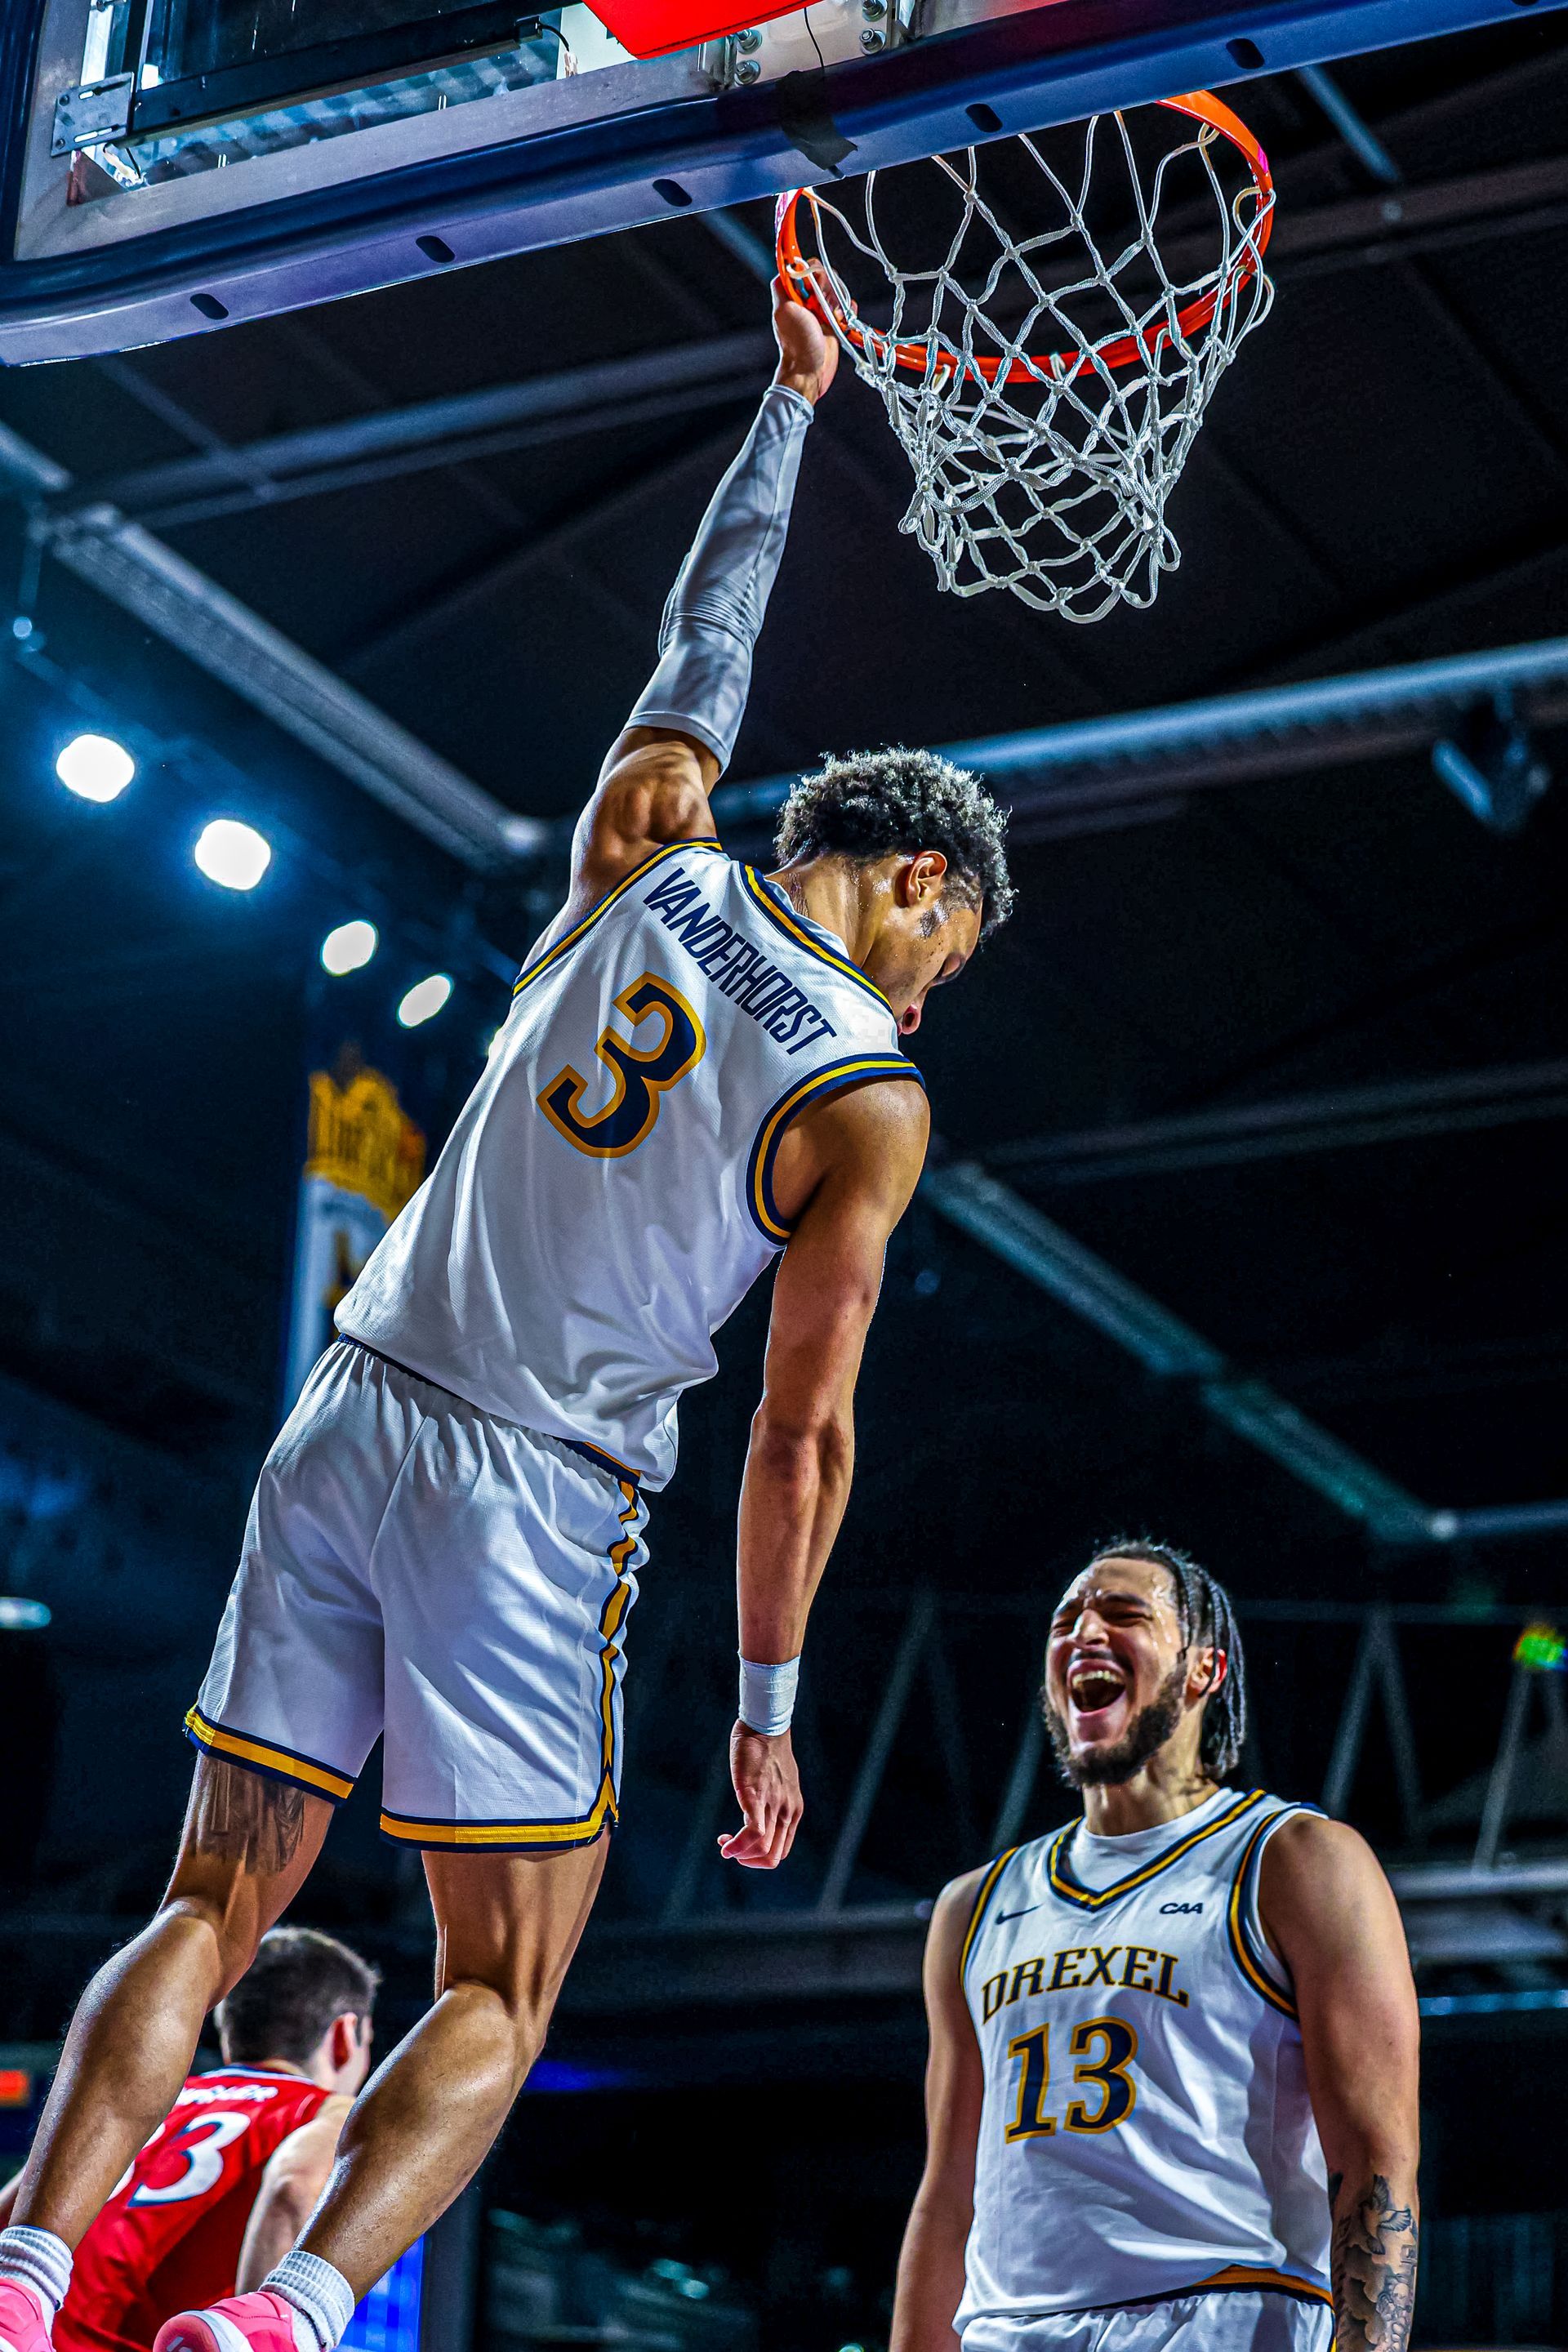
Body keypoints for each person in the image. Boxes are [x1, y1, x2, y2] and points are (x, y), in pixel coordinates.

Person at [0, 274, 1013, 2352]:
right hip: (532, 1494)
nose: (933, 1003)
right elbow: (799, 1433)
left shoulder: (647, 849)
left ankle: (22, 2261)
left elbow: (703, 641)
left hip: (352, 1404)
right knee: (501, 1982)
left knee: (209, 1900)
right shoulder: (871, 1087)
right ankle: (282, 2314)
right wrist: (761, 1707)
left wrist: (789, 408)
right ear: (916, 882)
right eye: (952, 956)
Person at [891, 1539, 1420, 2352]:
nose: (1085, 1632)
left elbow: (1376, 2160)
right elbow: (947, 2195)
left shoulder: (1295, 1859)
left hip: (1222, 2317)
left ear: (1201, 1670)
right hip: (1009, 2328)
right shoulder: (973, 1907)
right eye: (1067, 1618)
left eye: (1124, 1613)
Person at [0, 1932, 375, 2352]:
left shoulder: (145, 2102)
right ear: (347, 2035)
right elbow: (294, 2190)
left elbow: (14, 2210)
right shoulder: (328, 2113)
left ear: (229, 2025)